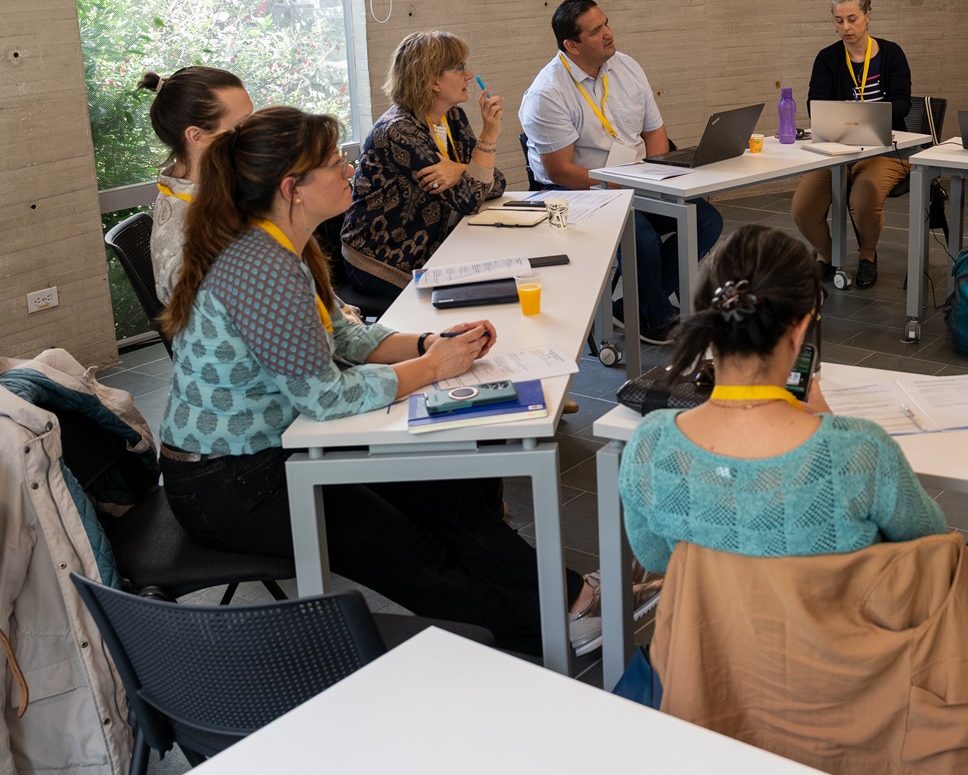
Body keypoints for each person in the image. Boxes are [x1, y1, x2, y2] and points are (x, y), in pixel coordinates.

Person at [157, 106, 656, 655]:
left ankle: (569, 600)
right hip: (230, 482)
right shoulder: (263, 266)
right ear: (292, 188)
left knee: (455, 493)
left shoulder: (279, 247)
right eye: (333, 162)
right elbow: (326, 397)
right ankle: (546, 630)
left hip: (271, 451)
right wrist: (432, 369)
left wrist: (430, 345)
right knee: (408, 550)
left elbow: (344, 341)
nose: (350, 168)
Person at [618, 224, 968, 606]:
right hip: (840, 665)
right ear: (800, 331)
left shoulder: (650, 444)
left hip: (715, 661)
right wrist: (830, 427)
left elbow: (656, 558)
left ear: (707, 317)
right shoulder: (859, 451)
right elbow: (928, 540)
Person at [519, 0, 722, 344]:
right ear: (572, 45)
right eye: (597, 31)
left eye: (606, 24)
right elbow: (560, 172)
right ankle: (655, 319)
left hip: (635, 180)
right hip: (577, 193)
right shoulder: (548, 93)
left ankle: (634, 305)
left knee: (705, 219)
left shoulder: (626, 66)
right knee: (638, 232)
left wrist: (658, 176)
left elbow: (655, 131)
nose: (609, 34)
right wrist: (621, 184)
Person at [341, 31, 507, 299]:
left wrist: (461, 170)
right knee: (476, 296)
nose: (468, 74)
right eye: (459, 68)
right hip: (383, 260)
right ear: (432, 81)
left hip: (431, 246)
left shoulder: (453, 116)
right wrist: (488, 135)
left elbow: (496, 182)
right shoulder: (399, 131)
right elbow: (470, 199)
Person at [789, 0, 913, 289]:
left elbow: (902, 104)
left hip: (885, 147)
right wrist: (848, 121)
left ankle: (868, 255)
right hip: (839, 148)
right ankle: (829, 255)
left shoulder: (891, 54)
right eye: (839, 20)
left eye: (852, 19)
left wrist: (860, 116)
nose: (846, 27)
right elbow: (815, 103)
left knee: (863, 197)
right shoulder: (828, 58)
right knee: (803, 208)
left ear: (868, 15)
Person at [137, 66, 254, 303]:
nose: (254, 133)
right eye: (241, 126)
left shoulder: (217, 184)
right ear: (197, 136)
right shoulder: (186, 236)